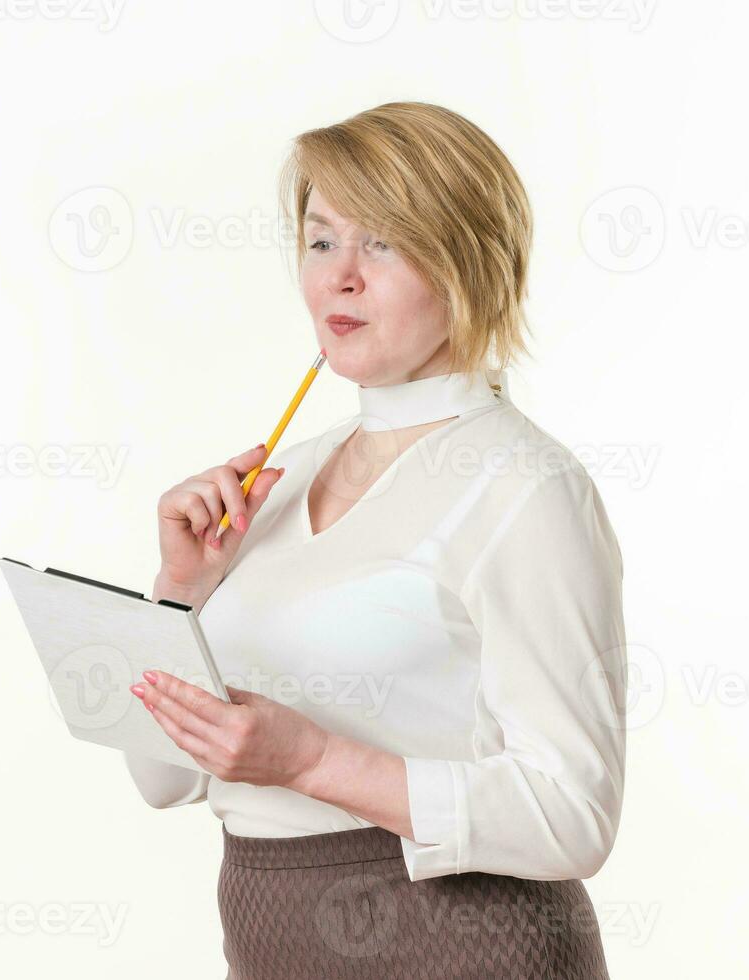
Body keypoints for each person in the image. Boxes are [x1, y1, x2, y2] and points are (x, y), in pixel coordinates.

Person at [124, 101, 627, 979]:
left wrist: (313, 759)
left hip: (465, 949)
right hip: (271, 942)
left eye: (382, 243)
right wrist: (178, 593)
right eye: (321, 242)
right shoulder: (272, 493)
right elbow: (161, 782)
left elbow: (574, 813)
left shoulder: (525, 488)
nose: (339, 278)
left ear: (470, 262)